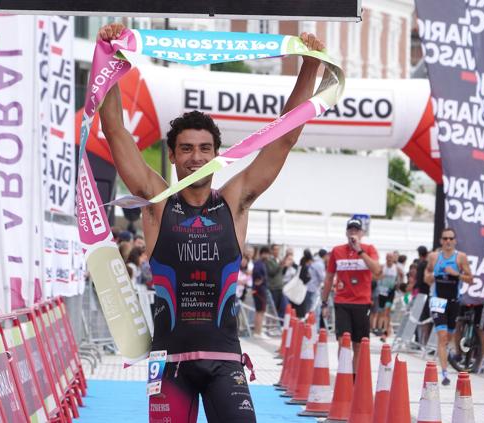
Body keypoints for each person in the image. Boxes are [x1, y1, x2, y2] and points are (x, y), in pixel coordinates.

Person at [98, 22, 326, 422]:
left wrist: (308, 66)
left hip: (225, 362)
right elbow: (115, 131)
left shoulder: (235, 202)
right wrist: (108, 58)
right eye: (186, 149)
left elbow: (284, 138)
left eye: (205, 149)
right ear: (172, 155)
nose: (196, 157)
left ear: (218, 154)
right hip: (170, 365)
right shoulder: (156, 202)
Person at [321, 218, 382, 370]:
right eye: (350, 230)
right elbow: (329, 277)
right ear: (346, 232)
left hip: (362, 303)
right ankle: (343, 376)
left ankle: (355, 380)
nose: (353, 232)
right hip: (342, 302)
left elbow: (377, 270)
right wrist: (324, 303)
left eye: (356, 230)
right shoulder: (337, 250)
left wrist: (359, 250)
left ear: (361, 233)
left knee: (359, 344)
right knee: (343, 342)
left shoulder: (369, 249)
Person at [424, 228, 473, 386]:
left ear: (455, 241)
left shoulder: (460, 257)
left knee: (449, 338)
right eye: (445, 238)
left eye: (451, 238)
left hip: (453, 301)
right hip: (438, 300)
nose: (448, 241)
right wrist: (433, 276)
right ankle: (444, 373)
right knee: (443, 336)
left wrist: (456, 274)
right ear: (441, 241)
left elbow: (470, 279)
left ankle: (447, 353)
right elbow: (426, 278)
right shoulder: (433, 257)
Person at [377, 252, 401, 343]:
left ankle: (385, 332)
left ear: (393, 258)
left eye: (391, 257)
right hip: (382, 292)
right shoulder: (382, 267)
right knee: (383, 312)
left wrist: (397, 286)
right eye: (388, 257)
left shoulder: (396, 268)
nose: (389, 259)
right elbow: (376, 276)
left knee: (386, 311)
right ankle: (388, 328)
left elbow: (400, 279)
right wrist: (380, 277)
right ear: (386, 258)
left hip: (390, 293)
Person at [414, 245, 432, 345]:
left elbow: (419, 280)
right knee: (427, 319)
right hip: (428, 294)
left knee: (424, 319)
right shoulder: (426, 264)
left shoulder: (422, 264)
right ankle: (425, 342)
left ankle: (424, 342)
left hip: (424, 295)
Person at [251, 247, 269, 339]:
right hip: (259, 290)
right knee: (260, 311)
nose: (267, 256)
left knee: (260, 311)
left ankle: (258, 331)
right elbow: (257, 276)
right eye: (265, 253)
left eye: (267, 254)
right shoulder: (259, 263)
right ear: (261, 254)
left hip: (260, 290)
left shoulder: (262, 263)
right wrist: (260, 281)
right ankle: (258, 332)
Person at [265, 243, 286, 319]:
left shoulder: (278, 260)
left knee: (280, 309)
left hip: (280, 287)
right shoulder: (269, 260)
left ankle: (275, 325)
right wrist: (280, 265)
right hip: (273, 288)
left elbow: (281, 273)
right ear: (272, 251)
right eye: (275, 249)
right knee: (272, 309)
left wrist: (283, 266)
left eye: (278, 249)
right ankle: (270, 325)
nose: (277, 251)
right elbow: (271, 272)